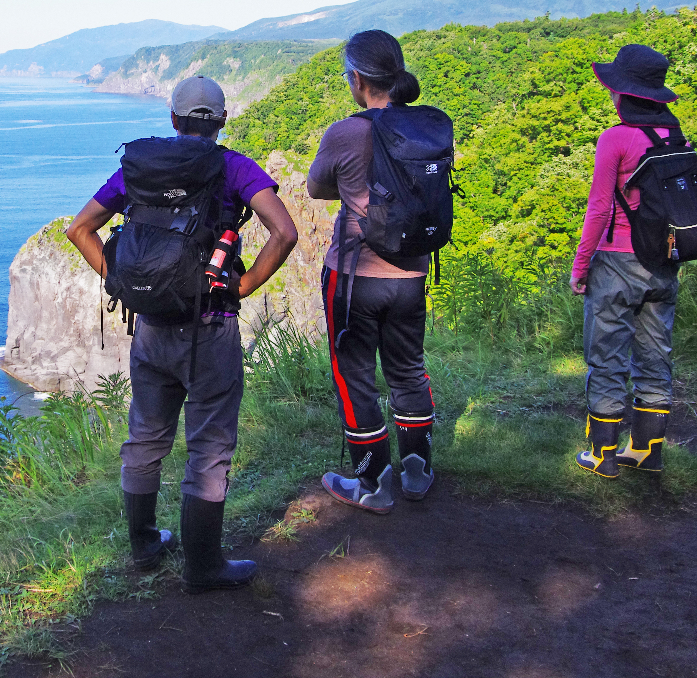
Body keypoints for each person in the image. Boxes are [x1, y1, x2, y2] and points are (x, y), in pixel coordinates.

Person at [66, 75, 298, 592]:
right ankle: (204, 567)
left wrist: (122, 282)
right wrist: (245, 284)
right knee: (208, 447)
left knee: (145, 437)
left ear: (172, 119)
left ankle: (146, 546)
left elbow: (78, 229)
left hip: (149, 327)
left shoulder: (142, 168)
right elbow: (284, 231)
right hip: (210, 327)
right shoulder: (232, 165)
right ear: (219, 122)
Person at [307, 30, 437, 514]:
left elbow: (317, 188)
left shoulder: (347, 131)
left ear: (357, 79)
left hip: (355, 277)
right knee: (407, 369)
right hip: (411, 274)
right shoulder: (425, 127)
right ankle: (417, 470)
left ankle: (373, 482)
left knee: (355, 374)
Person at [571, 44, 682, 478]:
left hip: (617, 263)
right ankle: (648, 451)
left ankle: (603, 455)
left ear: (623, 93)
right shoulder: (675, 136)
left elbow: (599, 208)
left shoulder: (616, 138)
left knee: (607, 356)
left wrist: (581, 267)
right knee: (656, 354)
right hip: (664, 264)